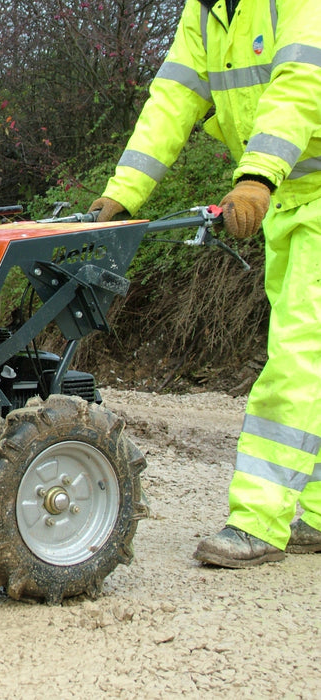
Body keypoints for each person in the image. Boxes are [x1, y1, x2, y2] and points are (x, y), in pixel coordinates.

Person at [88, 0, 321, 567]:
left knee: (296, 359)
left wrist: (256, 175)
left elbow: (300, 85)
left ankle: (257, 521)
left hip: (291, 190)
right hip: (293, 201)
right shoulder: (207, 13)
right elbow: (171, 101)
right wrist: (123, 195)